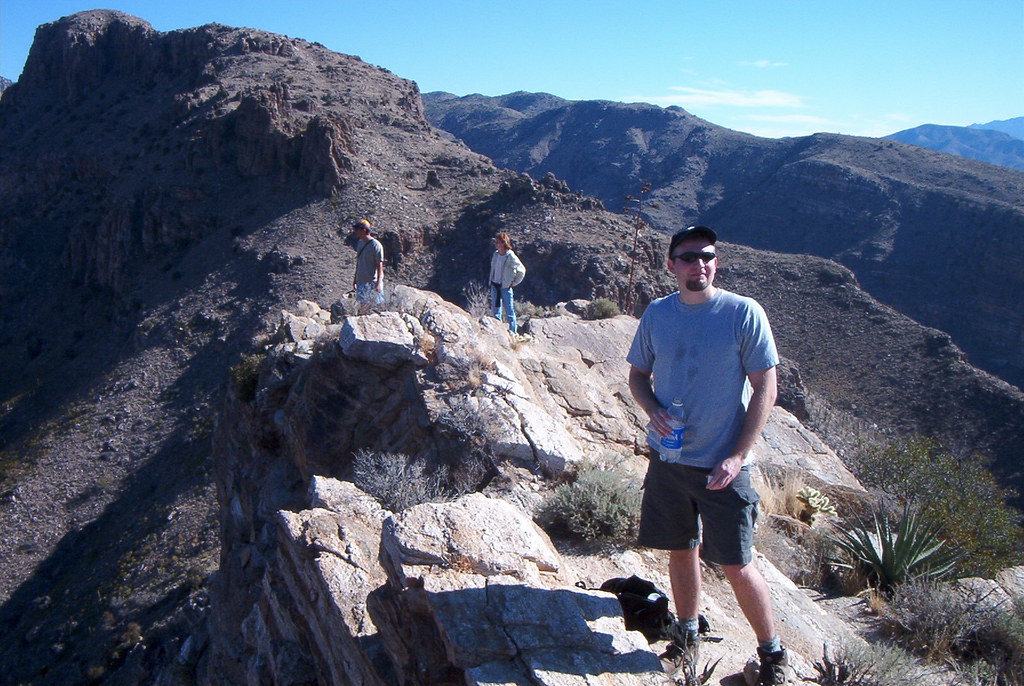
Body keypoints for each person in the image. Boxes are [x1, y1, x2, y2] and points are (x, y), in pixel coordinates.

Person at [626, 225, 789, 685]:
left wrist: (737, 456)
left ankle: (773, 654)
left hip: (723, 466)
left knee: (737, 563)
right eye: (688, 257)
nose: (699, 264)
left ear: (716, 262)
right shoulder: (658, 314)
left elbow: (766, 389)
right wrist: (653, 410)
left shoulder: (743, 313)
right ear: (672, 265)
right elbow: (638, 376)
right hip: (670, 460)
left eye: (707, 256)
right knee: (681, 549)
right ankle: (687, 632)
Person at [489, 232, 526, 335]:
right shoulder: (496, 254)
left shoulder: (510, 256)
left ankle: (513, 332)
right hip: (496, 285)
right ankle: (499, 332)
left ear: (503, 243)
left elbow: (521, 270)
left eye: (498, 242)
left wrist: (513, 283)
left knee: (509, 311)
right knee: (496, 310)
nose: (496, 244)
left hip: (505, 287)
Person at [350, 219, 384, 305]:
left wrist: (378, 283)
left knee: (376, 307)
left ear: (364, 230)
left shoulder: (376, 245)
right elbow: (359, 262)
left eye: (357, 229)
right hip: (361, 283)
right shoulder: (360, 243)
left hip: (372, 283)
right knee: (362, 307)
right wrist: (355, 279)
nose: (355, 232)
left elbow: (379, 266)